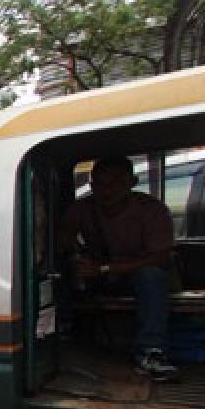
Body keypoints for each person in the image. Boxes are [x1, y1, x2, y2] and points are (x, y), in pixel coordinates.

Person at [59, 156, 177, 380]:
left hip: (138, 278)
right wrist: (71, 249)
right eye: (99, 184)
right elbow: (62, 238)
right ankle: (62, 333)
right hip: (101, 278)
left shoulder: (152, 210)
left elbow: (161, 257)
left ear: (131, 182)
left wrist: (104, 268)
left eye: (115, 182)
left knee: (151, 276)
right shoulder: (83, 209)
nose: (107, 190)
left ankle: (151, 353)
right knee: (58, 270)